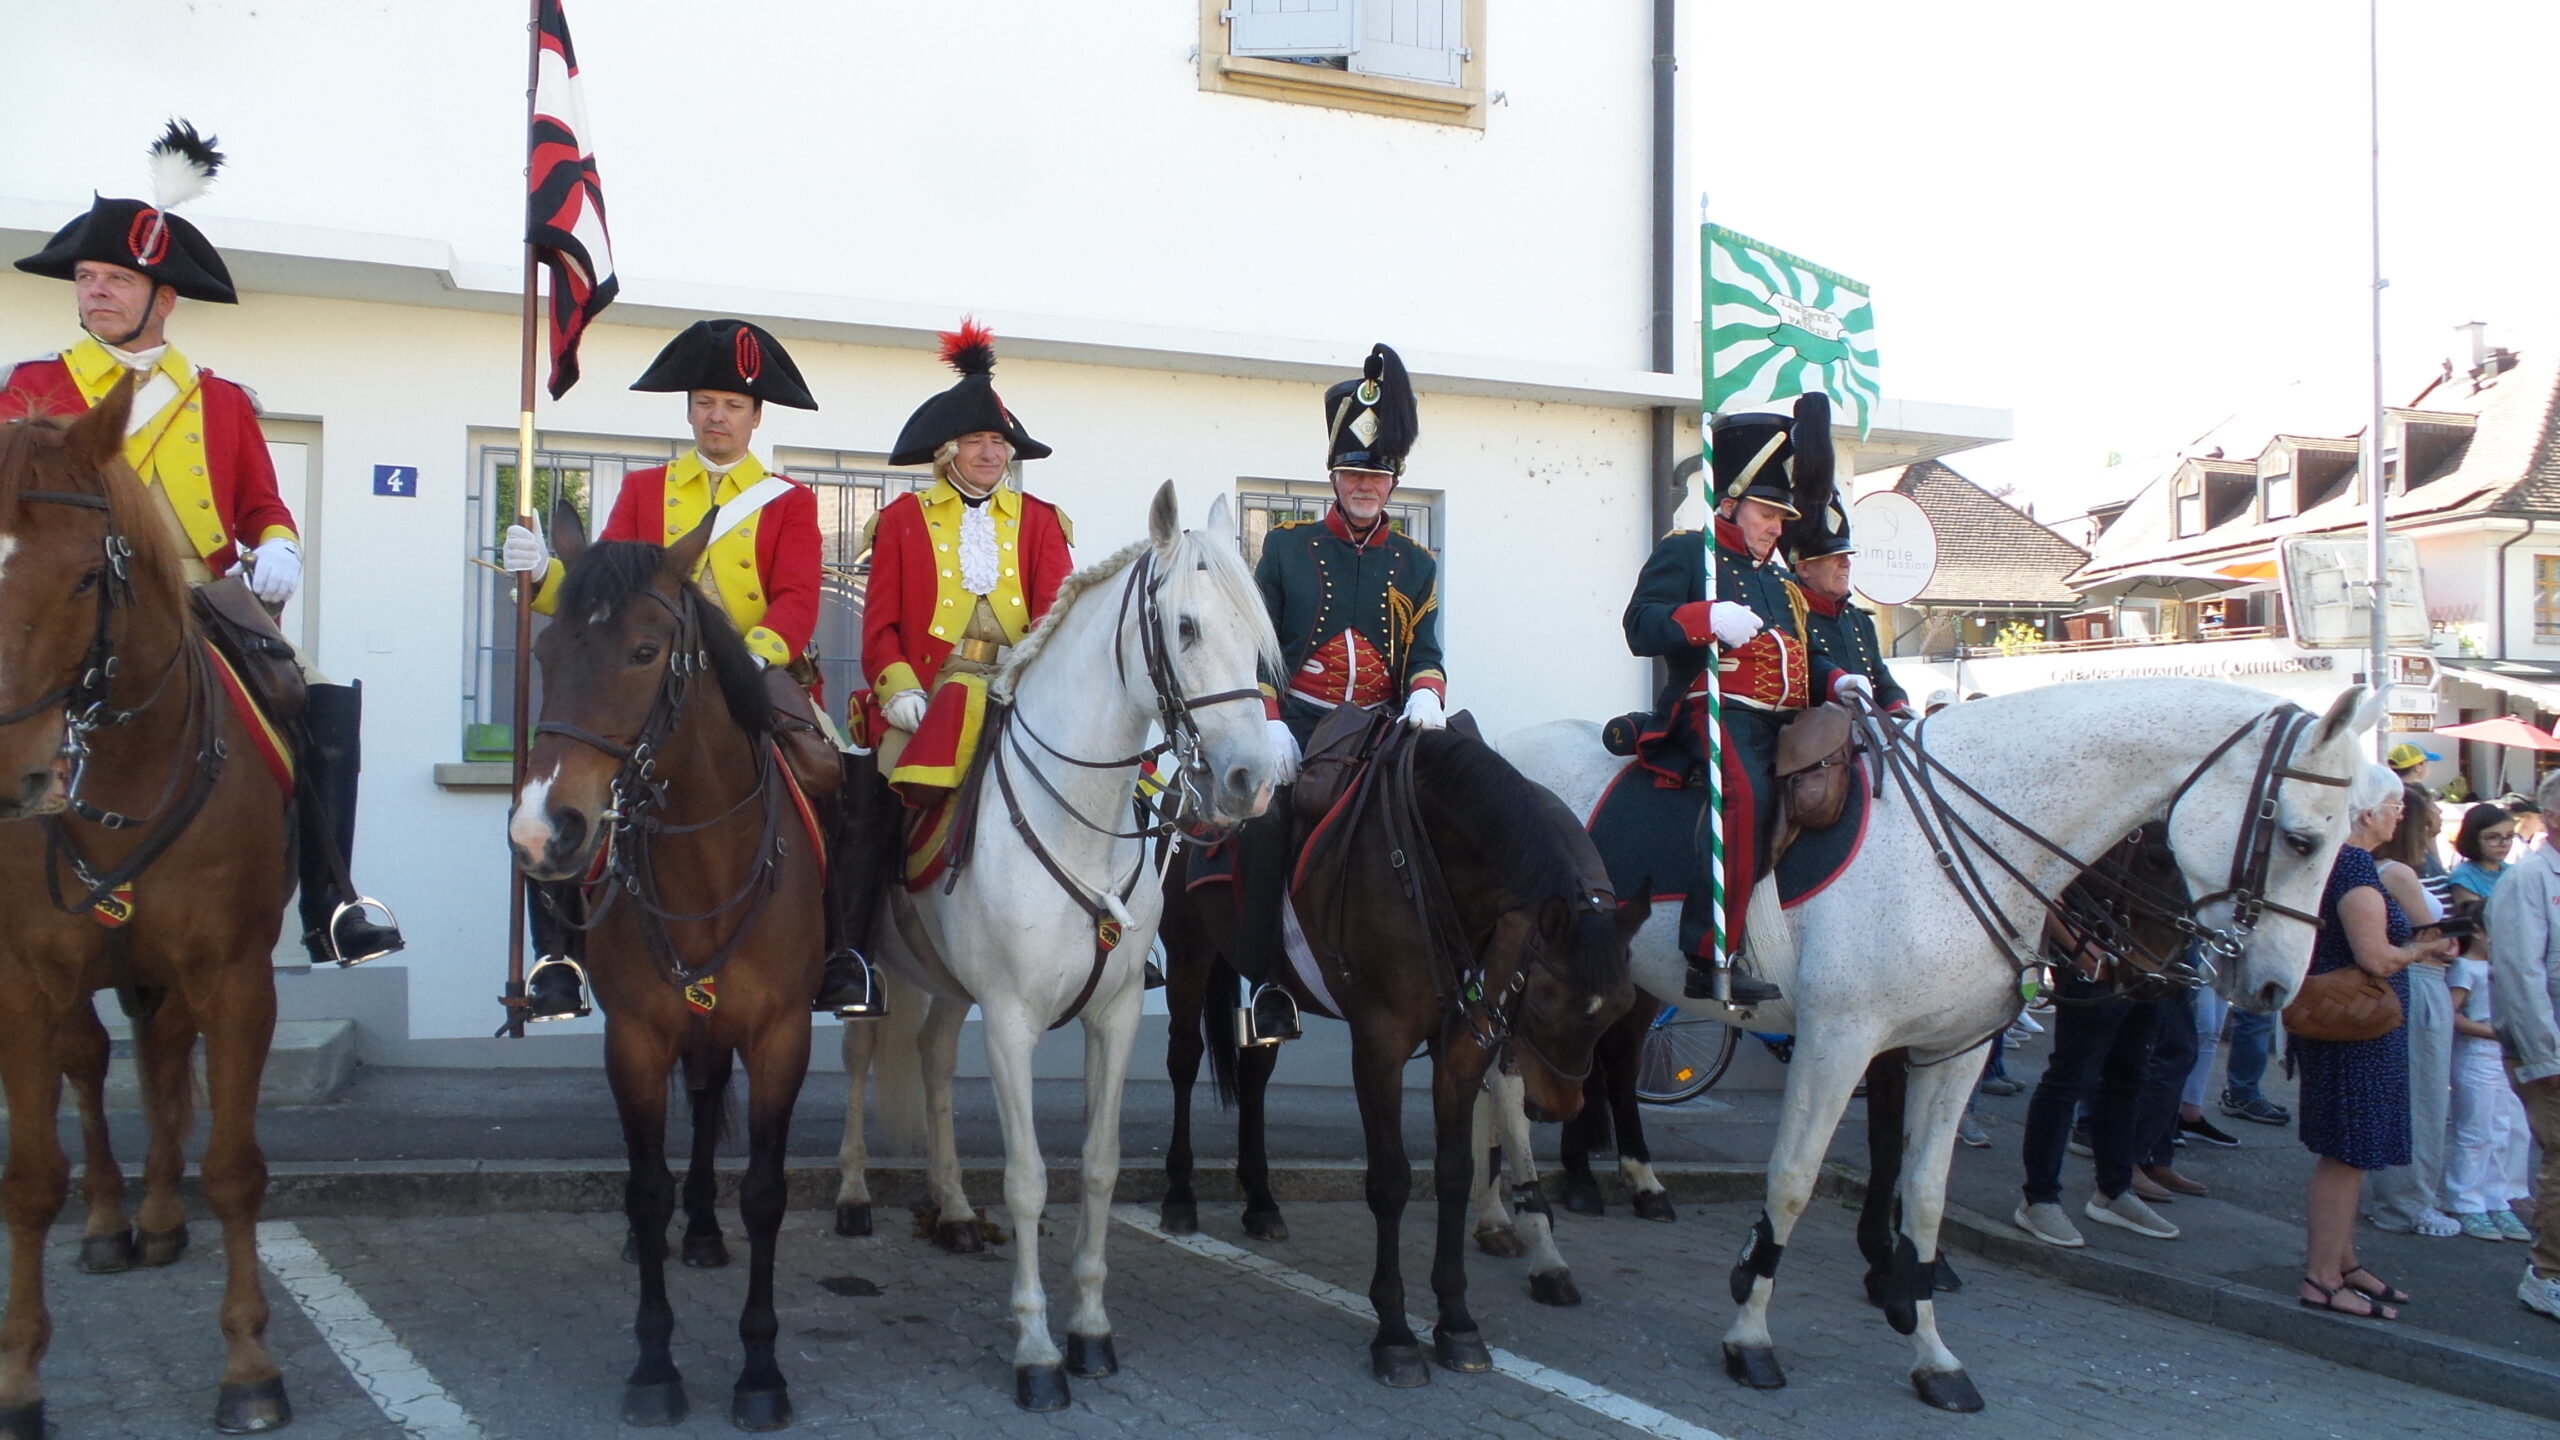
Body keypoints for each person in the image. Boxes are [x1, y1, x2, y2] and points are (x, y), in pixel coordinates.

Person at [3, 122, 402, 969]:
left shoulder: (217, 399)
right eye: (86, 277)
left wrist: (281, 545)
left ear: (164, 298)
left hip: (199, 595)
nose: (96, 292)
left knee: (314, 698)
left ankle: (331, 901)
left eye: (117, 279)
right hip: (62, 590)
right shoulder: (33, 386)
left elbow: (262, 506)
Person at [502, 319, 877, 1020]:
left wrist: (756, 652)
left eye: (733, 405)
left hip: (757, 667)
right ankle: (560, 955)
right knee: (560, 774)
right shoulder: (646, 489)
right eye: (706, 402)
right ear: (689, 411)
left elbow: (798, 595)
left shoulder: (789, 500)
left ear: (756, 417)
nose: (718, 416)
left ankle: (842, 950)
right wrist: (545, 574)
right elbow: (603, 592)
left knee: (831, 772)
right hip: (652, 670)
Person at [1624, 393, 1872, 1006]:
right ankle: (1708, 954)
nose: (1777, 528)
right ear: (1731, 504)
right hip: (1712, 710)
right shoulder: (1689, 552)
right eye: (1767, 513)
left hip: (1788, 720)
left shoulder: (1781, 581)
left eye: (1783, 518)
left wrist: (1839, 681)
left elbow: (1802, 654)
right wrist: (1704, 617)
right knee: (1748, 795)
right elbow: (1640, 625)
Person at [1230, 343, 1445, 1045]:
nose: (1364, 486)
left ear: (1393, 481)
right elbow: (1257, 646)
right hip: (1296, 722)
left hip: (1380, 731)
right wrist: (1269, 719)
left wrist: (1427, 695)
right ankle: (1266, 983)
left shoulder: (1416, 563)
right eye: (1353, 472)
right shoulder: (1285, 547)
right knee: (1266, 821)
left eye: (1376, 475)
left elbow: (1426, 653)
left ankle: (1448, 979)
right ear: (1334, 475)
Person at [861, 320, 1075, 803]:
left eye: (998, 441)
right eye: (976, 439)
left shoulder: (1040, 521)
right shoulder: (901, 520)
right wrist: (900, 689)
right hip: (929, 691)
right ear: (948, 451)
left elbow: (1056, 619)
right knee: (883, 793)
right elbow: (879, 628)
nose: (990, 453)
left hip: (1020, 690)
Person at [2293, 763, 2455, 1318]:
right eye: (2393, 806)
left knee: (2352, 1152)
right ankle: (2321, 1276)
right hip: (2356, 1030)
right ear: (2365, 813)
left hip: (2353, 1026)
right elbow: (2377, 958)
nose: (2399, 815)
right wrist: (2426, 949)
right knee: (2347, 1154)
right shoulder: (2355, 865)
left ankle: (2343, 1262)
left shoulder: (2336, 861)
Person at [2012, 825, 2184, 1247]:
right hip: (2097, 949)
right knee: (2070, 1077)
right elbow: (2042, 874)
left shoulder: (2170, 810)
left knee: (2129, 1075)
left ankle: (2113, 1190)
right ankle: (2039, 1199)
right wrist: (2076, 947)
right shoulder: (2108, 803)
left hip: (2148, 955)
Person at [2366, 783, 2461, 1237]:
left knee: (2408, 1094)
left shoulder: (2378, 868)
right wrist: (2450, 940)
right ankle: (2408, 1202)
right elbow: (2433, 937)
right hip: (2420, 982)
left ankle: (2404, 1195)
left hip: (2411, 983)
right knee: (2422, 1097)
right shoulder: (2398, 872)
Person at [2483, 768, 2560, 1321]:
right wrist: (2545, 1055)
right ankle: (2547, 1273)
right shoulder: (2530, 878)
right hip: (2549, 1045)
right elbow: (2518, 972)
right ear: (2552, 817)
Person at [2447, 801, 2520, 905]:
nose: (2504, 843)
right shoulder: (2464, 876)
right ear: (2473, 838)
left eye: (2509, 836)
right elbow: (2473, 914)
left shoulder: (2513, 872)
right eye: (2493, 837)